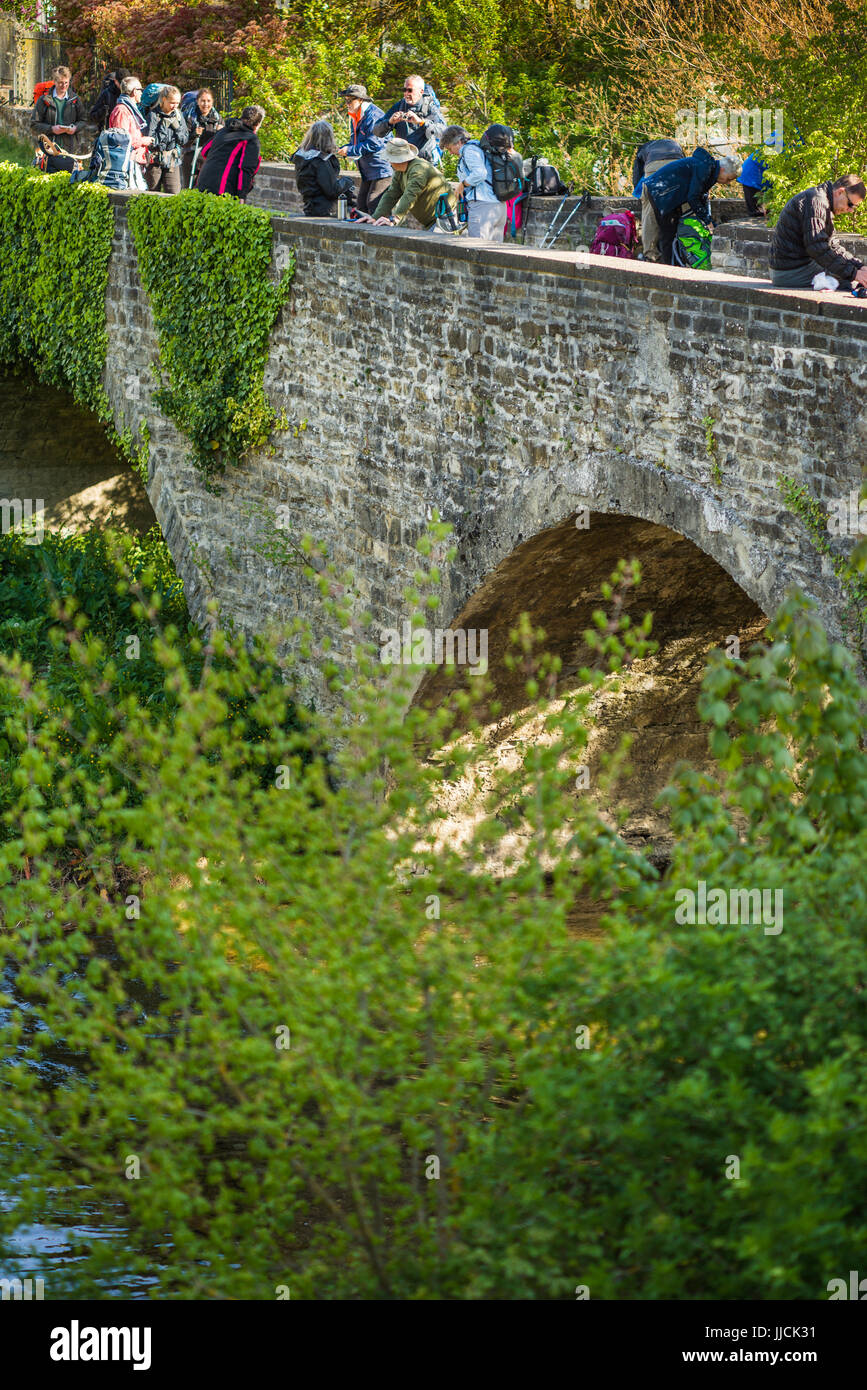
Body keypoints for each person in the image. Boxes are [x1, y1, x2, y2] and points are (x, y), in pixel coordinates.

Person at [643, 149, 742, 264]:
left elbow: (698, 195)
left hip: (668, 192)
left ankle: (673, 264)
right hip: (661, 192)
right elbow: (693, 197)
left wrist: (706, 218)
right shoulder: (705, 168)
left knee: (673, 231)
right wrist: (708, 221)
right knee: (667, 235)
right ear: (723, 169)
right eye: (729, 178)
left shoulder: (709, 168)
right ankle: (668, 270)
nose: (728, 182)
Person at [770, 175, 867, 290]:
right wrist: (854, 274)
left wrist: (859, 266)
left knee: (847, 276)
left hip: (795, 267)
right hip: (789, 272)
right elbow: (817, 248)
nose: (850, 210)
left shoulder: (822, 202)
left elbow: (833, 246)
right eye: (850, 204)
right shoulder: (816, 201)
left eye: (854, 207)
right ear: (840, 192)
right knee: (847, 283)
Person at [357, 137, 455, 231]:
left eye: (389, 159)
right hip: (431, 221)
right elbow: (391, 194)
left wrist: (395, 218)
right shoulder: (400, 171)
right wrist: (375, 217)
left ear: (397, 159)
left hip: (445, 217)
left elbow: (410, 195)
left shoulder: (418, 169)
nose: (389, 162)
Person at [440, 124, 505, 240]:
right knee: (495, 253)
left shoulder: (469, 150)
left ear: (459, 142)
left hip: (482, 207)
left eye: (450, 148)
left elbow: (480, 173)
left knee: (477, 251)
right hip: (497, 207)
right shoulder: (480, 148)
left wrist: (463, 184)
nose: (450, 153)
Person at [335, 84, 392, 217]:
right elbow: (357, 142)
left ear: (361, 100)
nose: (347, 104)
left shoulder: (373, 116)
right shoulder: (356, 115)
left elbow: (374, 144)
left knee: (374, 203)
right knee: (361, 206)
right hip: (368, 169)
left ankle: (383, 233)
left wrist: (350, 150)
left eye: (350, 100)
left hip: (381, 167)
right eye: (346, 100)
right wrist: (346, 148)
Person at [372, 74, 445, 165]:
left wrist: (421, 122)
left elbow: (444, 132)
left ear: (421, 92)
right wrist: (389, 122)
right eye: (404, 90)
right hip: (401, 161)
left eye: (410, 90)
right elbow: (376, 131)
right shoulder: (399, 106)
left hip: (424, 163)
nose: (406, 93)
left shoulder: (430, 107)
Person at [632, 137, 685, 260]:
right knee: (683, 207)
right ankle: (686, 248)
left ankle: (650, 254)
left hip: (653, 167)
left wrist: (643, 198)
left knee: (649, 212)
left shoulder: (643, 149)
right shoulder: (675, 145)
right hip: (676, 166)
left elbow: (638, 176)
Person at [196, 105, 265, 201]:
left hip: (203, 183)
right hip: (223, 189)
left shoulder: (223, 130)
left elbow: (204, 151)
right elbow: (246, 169)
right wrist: (242, 195)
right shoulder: (251, 139)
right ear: (257, 125)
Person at [292, 120, 356, 216]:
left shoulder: (303, 155)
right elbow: (332, 190)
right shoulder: (320, 160)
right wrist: (347, 181)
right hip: (323, 208)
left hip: (309, 205)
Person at [31, 66, 87, 154]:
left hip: (70, 149)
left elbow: (83, 121)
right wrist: (52, 129)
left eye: (66, 82)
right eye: (60, 83)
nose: (64, 86)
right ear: (54, 82)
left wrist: (75, 128)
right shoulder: (44, 100)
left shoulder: (75, 99)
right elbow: (34, 124)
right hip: (49, 148)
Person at [145, 86, 188, 194]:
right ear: (164, 99)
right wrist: (164, 128)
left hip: (172, 160)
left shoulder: (178, 115)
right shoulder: (153, 115)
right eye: (172, 102)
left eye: (177, 103)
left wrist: (177, 128)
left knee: (174, 194)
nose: (175, 106)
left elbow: (184, 140)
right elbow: (150, 141)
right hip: (155, 160)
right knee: (153, 195)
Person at [107, 76, 153, 175]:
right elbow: (120, 140)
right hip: (127, 164)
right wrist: (142, 141)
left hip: (133, 160)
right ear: (134, 91)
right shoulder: (122, 111)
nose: (142, 93)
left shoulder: (129, 109)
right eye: (141, 90)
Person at [182, 88, 224, 189]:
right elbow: (183, 141)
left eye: (208, 101)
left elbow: (224, 143)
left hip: (210, 159)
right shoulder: (189, 118)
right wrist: (194, 134)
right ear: (197, 101)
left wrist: (221, 132)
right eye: (203, 101)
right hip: (192, 159)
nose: (206, 104)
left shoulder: (218, 119)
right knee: (190, 188)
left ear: (213, 102)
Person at [88, 67, 130, 132]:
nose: (124, 86)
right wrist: (104, 111)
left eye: (126, 83)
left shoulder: (132, 92)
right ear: (115, 81)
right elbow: (92, 116)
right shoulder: (107, 93)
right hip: (111, 134)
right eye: (122, 83)